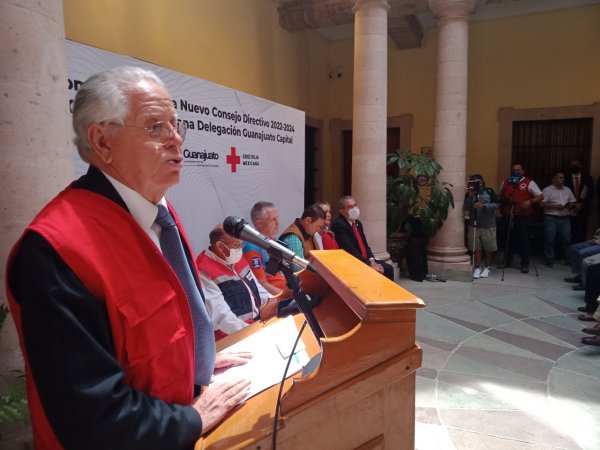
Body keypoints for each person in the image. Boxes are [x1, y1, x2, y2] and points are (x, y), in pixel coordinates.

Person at [5, 67, 251, 449]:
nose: (176, 140)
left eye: (175, 124)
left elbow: (150, 335)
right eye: (155, 127)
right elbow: (90, 415)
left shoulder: (160, 215)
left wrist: (193, 363)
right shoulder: (56, 248)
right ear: (102, 141)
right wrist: (192, 419)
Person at [196, 224, 272, 340]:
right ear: (220, 246)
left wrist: (270, 306)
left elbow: (257, 287)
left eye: (241, 244)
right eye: (236, 245)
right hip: (234, 337)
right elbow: (221, 317)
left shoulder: (235, 258)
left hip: (258, 324)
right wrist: (253, 333)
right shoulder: (203, 271)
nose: (240, 249)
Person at [330, 195, 394, 281]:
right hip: (353, 261)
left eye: (355, 205)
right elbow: (350, 250)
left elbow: (365, 246)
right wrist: (369, 264)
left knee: (388, 268)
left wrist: (372, 260)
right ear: (342, 211)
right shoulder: (339, 224)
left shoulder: (358, 223)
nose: (354, 209)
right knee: (380, 271)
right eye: (350, 207)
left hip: (366, 260)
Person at [498, 163, 543, 273]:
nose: (516, 172)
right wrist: (502, 200)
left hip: (522, 215)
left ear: (523, 171)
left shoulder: (529, 182)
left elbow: (540, 196)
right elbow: (499, 195)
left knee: (523, 239)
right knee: (507, 238)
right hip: (508, 214)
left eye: (518, 170)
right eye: (514, 170)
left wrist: (530, 201)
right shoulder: (506, 182)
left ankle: (525, 263)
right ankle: (507, 261)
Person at [242, 201, 287, 295]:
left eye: (277, 218)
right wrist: (287, 297)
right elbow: (262, 284)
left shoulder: (274, 240)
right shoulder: (251, 246)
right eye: (273, 219)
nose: (278, 223)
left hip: (284, 290)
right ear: (259, 224)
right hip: (275, 300)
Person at [464, 174, 498, 279]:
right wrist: (470, 196)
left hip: (488, 225)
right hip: (474, 225)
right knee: (476, 248)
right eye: (473, 182)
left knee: (488, 248)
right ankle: (477, 267)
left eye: (477, 182)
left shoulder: (489, 191)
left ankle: (487, 267)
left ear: (482, 182)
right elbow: (466, 207)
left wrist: (484, 206)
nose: (475, 184)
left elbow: (497, 205)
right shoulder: (469, 193)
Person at [540, 171, 576, 267]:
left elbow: (572, 202)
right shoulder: (547, 190)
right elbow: (541, 204)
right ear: (554, 179)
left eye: (563, 178)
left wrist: (570, 206)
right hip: (551, 217)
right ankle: (549, 260)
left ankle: (568, 260)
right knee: (549, 239)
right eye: (560, 177)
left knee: (567, 240)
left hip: (565, 218)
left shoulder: (567, 190)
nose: (562, 179)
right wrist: (555, 206)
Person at [279, 204, 326, 270]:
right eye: (318, 226)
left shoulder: (310, 233)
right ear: (308, 221)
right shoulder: (293, 236)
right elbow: (298, 269)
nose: (318, 230)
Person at [564, 159, 594, 244]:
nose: (575, 167)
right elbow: (563, 193)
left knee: (582, 231)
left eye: (576, 165)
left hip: (583, 209)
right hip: (569, 209)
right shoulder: (566, 178)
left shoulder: (587, 178)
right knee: (569, 232)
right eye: (572, 165)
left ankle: (580, 252)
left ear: (580, 166)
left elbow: (591, 193)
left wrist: (581, 204)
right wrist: (572, 204)